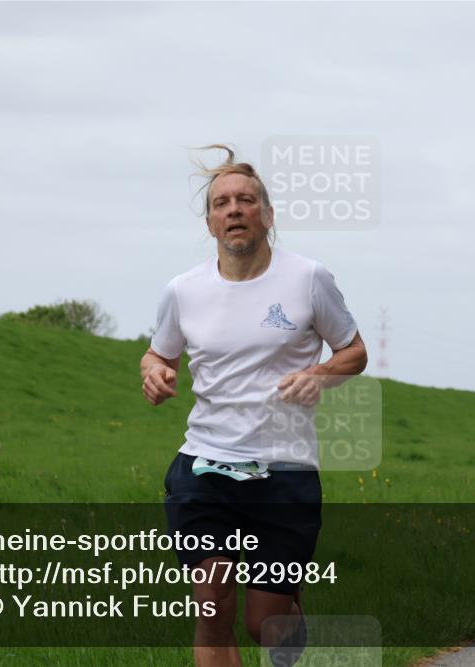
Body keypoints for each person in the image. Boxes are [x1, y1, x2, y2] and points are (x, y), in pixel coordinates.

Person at [141, 145, 367, 667]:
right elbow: (157, 351)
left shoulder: (309, 278)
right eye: (222, 203)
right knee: (212, 606)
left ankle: (287, 609)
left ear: (267, 215)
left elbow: (353, 351)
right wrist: (153, 371)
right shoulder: (183, 291)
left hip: (284, 469)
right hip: (204, 463)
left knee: (264, 623)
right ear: (210, 221)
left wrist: (318, 373)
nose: (234, 209)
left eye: (246, 200)